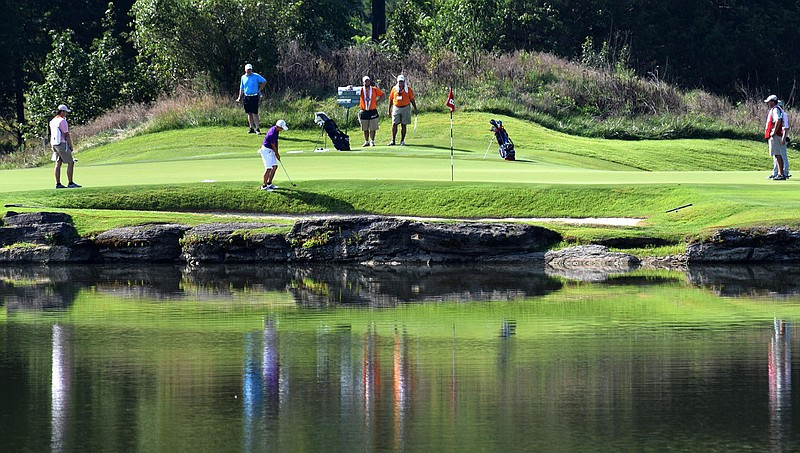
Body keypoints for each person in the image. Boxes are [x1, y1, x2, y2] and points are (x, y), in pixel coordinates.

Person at [49, 104, 81, 189]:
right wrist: (70, 145)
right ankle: (70, 183)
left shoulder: (52, 121)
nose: (66, 113)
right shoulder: (62, 121)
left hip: (54, 144)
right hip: (62, 144)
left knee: (58, 163)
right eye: (65, 112)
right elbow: (66, 135)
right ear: (62, 112)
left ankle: (58, 184)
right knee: (71, 162)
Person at [387, 74, 418, 146]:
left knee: (404, 124)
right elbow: (391, 99)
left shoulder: (408, 89)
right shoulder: (394, 89)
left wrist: (415, 108)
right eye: (399, 82)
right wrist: (388, 110)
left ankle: (402, 140)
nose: (401, 83)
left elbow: (412, 99)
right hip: (396, 107)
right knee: (394, 124)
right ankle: (393, 140)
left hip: (405, 107)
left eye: (402, 82)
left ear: (404, 82)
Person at [236, 63, 267, 134]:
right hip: (246, 96)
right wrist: (239, 97)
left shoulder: (256, 76)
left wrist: (259, 89)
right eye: (248, 70)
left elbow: (264, 81)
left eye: (250, 69)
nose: (249, 71)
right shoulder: (243, 77)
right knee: (249, 113)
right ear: (245, 70)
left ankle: (257, 128)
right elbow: (241, 88)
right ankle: (251, 128)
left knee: (255, 113)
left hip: (254, 96)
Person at [259, 119, 288, 191]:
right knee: (268, 169)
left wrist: (277, 152)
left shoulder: (276, 131)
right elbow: (273, 145)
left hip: (270, 150)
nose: (282, 130)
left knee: (274, 166)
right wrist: (276, 154)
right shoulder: (272, 133)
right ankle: (264, 186)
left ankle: (269, 183)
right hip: (266, 150)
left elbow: (276, 142)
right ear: (278, 126)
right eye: (281, 128)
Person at [765, 95, 788, 180]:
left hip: (776, 135)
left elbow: (778, 120)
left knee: (778, 155)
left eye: (769, 101)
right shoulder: (776, 109)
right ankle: (779, 173)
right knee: (776, 155)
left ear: (773, 101)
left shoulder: (775, 109)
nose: (768, 103)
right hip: (776, 135)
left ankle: (781, 174)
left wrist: (774, 131)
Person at [358, 76, 384, 147]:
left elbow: (382, 94)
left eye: (368, 81)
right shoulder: (360, 90)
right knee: (365, 128)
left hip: (372, 110)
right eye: (365, 81)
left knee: (373, 127)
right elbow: (353, 92)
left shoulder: (374, 89)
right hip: (364, 110)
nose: (367, 82)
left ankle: (372, 141)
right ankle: (366, 141)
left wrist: (378, 101)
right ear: (363, 82)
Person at [769, 100, 791, 179]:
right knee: (776, 155)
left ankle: (784, 172)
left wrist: (783, 137)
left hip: (780, 136)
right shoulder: (778, 113)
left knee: (782, 155)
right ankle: (776, 172)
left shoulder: (783, 114)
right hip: (779, 136)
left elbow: (785, 128)